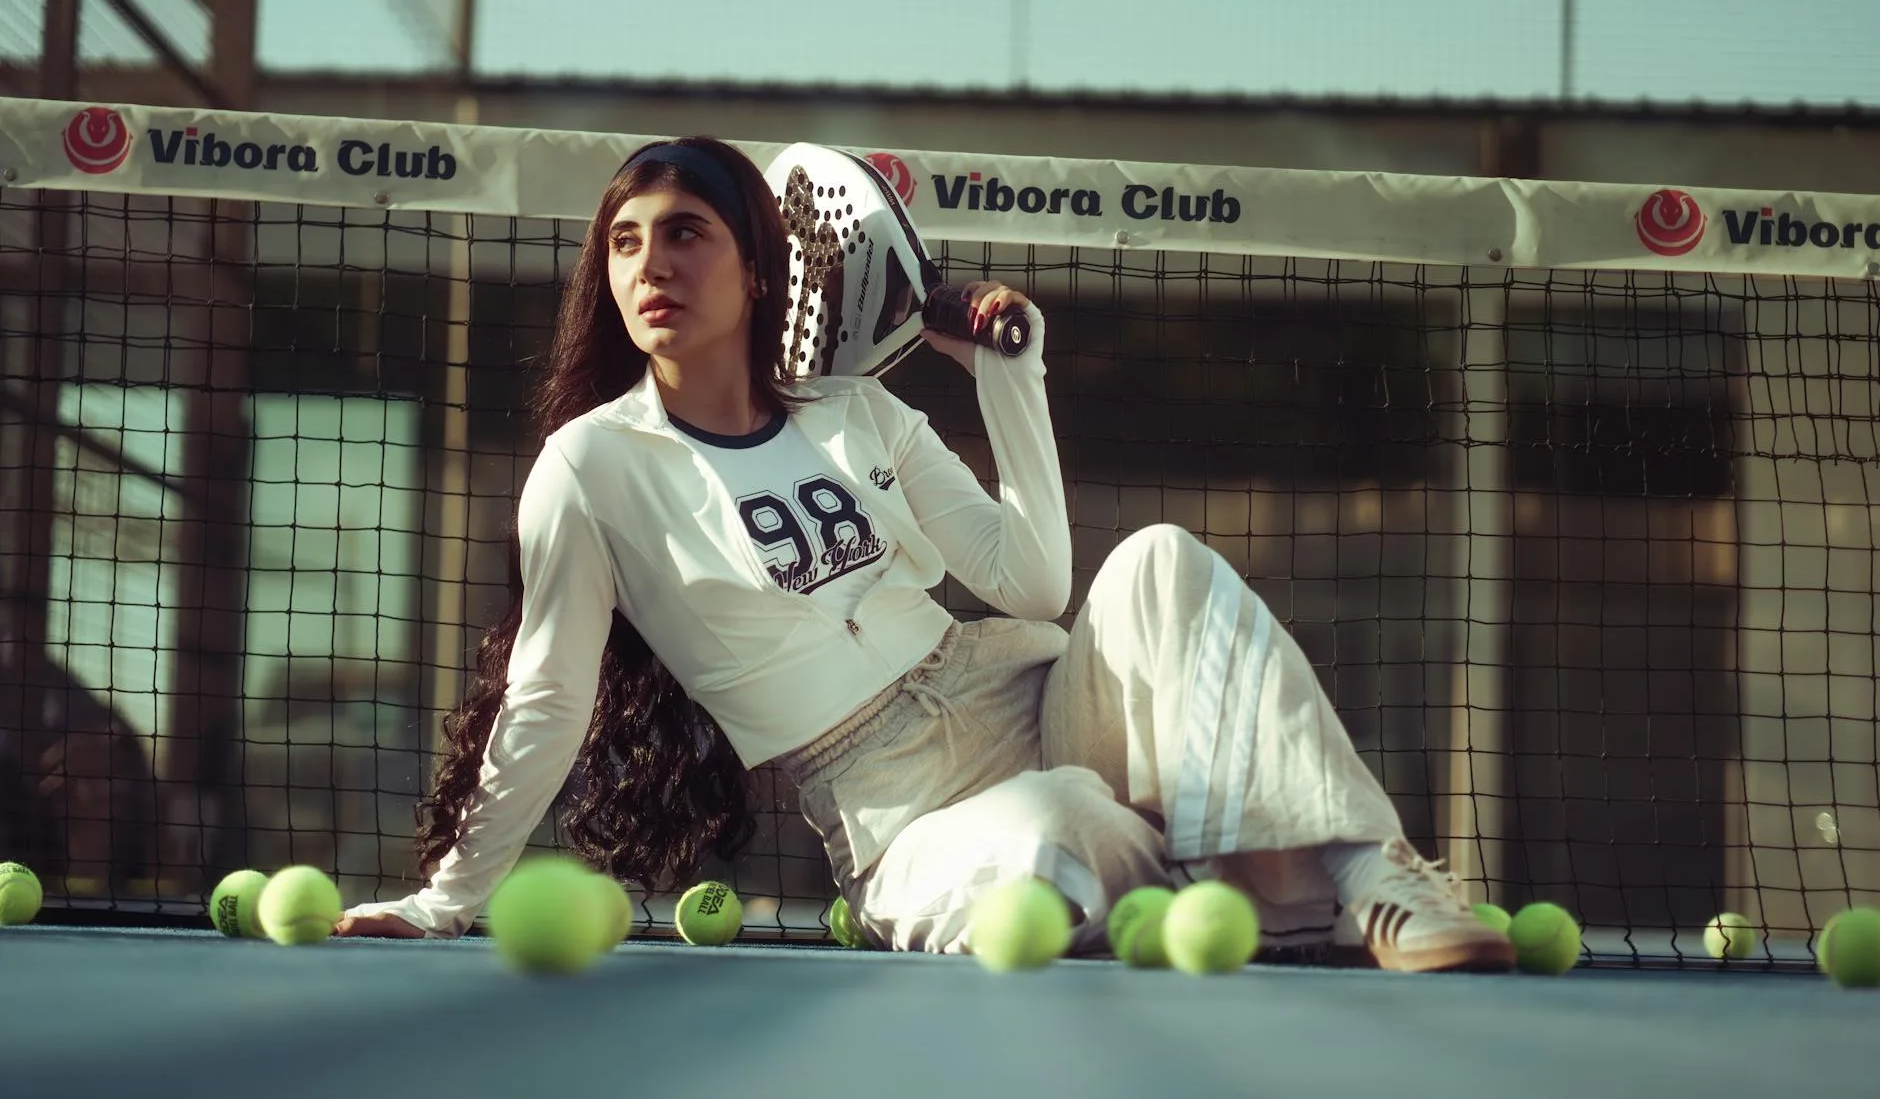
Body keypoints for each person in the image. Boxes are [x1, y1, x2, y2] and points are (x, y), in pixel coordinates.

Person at [338, 137, 1514, 973]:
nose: (651, 264)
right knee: (1058, 822)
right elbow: (547, 694)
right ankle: (1239, 875)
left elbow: (1033, 582)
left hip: (1025, 691)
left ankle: (1372, 876)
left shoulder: (862, 414)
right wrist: (449, 896)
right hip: (897, 807)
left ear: (756, 269)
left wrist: (1009, 381)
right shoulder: (588, 468)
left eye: (686, 234)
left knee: (1155, 558)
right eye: (627, 241)